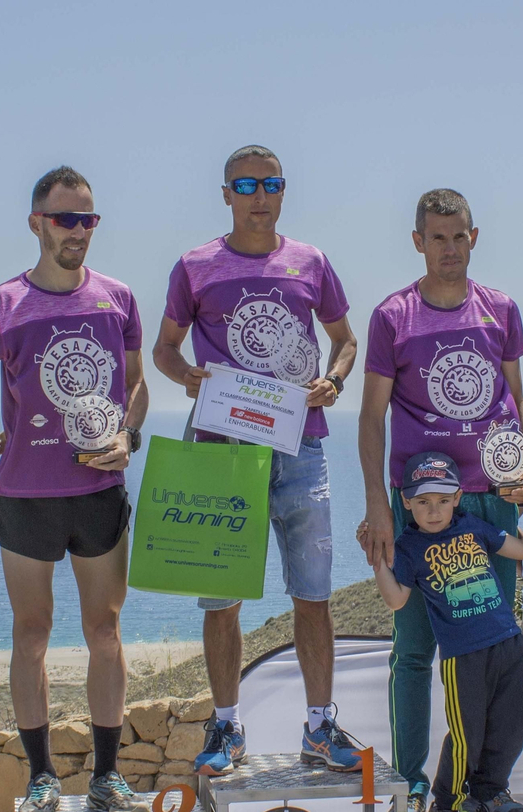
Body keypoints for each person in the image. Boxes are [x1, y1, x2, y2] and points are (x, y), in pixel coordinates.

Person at [0, 165, 149, 812]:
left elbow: (137, 387)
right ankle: (41, 779)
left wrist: (129, 436)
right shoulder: (2, 306)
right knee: (31, 635)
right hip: (26, 495)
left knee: (104, 632)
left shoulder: (118, 298)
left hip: (99, 492)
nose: (77, 231)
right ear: (37, 223)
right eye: (65, 219)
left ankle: (109, 777)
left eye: (88, 219)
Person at [151, 145, 362, 775]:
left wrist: (334, 380)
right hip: (221, 452)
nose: (259, 195)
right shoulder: (195, 266)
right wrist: (189, 376)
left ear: (283, 190)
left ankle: (321, 727)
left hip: (301, 445)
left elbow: (346, 339)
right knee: (222, 600)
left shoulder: (311, 261)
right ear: (226, 194)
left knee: (314, 594)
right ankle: (226, 726)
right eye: (246, 185)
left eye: (270, 183)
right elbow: (164, 349)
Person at [358, 188, 523, 812]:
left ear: (474, 236)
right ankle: (408, 789)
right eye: (438, 237)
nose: (450, 249)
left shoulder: (501, 310)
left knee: (494, 648)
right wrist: (381, 503)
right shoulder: (392, 316)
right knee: (413, 650)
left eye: (459, 236)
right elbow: (372, 416)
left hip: (488, 499)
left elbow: (516, 400)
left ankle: (486, 789)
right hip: (420, 505)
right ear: (417, 241)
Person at [363, 453, 523, 812]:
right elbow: (397, 600)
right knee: (467, 733)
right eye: (423, 502)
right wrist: (377, 561)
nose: (433, 511)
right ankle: (444, 804)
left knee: (511, 726)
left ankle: (489, 794)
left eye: (443, 501)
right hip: (462, 656)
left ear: (458, 498)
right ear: (406, 502)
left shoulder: (473, 526)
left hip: (507, 643)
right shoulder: (410, 545)